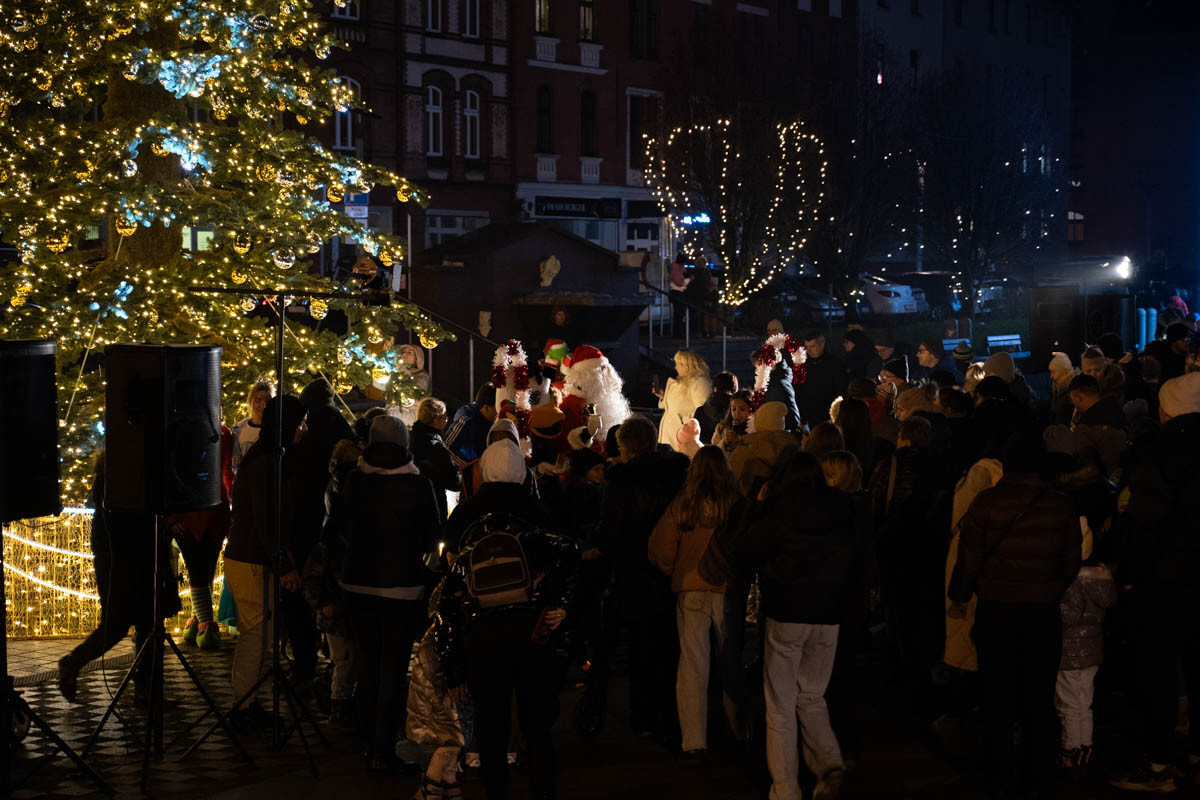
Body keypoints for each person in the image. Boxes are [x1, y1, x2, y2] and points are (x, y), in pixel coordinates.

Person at [948, 428, 1082, 796]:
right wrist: (1050, 590)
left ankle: (999, 772)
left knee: (997, 696)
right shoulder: (1061, 504)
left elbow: (970, 559)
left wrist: (960, 595)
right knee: (1039, 697)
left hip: (997, 611)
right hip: (1042, 614)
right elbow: (1071, 561)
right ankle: (1038, 773)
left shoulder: (988, 502)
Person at [734, 450, 857, 800]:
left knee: (780, 705)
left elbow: (743, 549)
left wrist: (756, 507)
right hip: (829, 613)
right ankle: (830, 761)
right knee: (812, 695)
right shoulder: (843, 506)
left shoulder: (780, 508)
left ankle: (786, 788)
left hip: (787, 611)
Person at [435, 514, 579, 800]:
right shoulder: (534, 536)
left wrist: (454, 671)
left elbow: (446, 611)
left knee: (491, 728)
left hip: (483, 641)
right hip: (529, 636)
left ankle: (496, 792)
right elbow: (571, 552)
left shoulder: (468, 548)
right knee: (537, 727)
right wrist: (562, 604)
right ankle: (543, 790)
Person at [1109, 372, 1200, 792]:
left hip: (1164, 582)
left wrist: (1127, 575)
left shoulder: (1158, 455)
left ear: (1168, 409)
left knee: (1158, 675)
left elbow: (1143, 523)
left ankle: (1161, 764)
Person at [337, 414, 442, 771]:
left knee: (366, 660)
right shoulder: (418, 485)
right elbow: (432, 537)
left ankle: (367, 737)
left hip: (357, 583)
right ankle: (384, 745)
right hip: (402, 586)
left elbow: (339, 525)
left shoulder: (354, 480)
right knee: (394, 665)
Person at [648, 447, 748, 760]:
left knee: (692, 665)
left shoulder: (684, 504)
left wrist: (676, 571)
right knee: (732, 662)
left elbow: (660, 549)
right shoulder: (738, 504)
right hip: (727, 589)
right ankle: (741, 731)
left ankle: (693, 740)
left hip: (690, 589)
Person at [57, 454, 183, 702]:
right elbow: (129, 526)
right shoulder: (117, 485)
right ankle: (73, 662)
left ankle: (148, 689)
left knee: (149, 623)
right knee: (117, 625)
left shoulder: (118, 482)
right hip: (123, 562)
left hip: (132, 559)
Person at [596, 416, 690, 743]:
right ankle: (672, 713)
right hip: (673, 570)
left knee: (641, 650)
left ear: (626, 448)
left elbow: (609, 532)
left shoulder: (621, 481)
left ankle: (645, 717)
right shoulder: (677, 474)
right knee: (671, 647)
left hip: (634, 573)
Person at [223, 395, 308, 726]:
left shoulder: (271, 458)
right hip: (251, 561)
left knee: (261, 632)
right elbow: (265, 520)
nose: (303, 429)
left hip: (255, 559)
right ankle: (244, 706)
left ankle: (248, 701)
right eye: (299, 423)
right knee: (255, 635)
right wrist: (283, 563)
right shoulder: (265, 463)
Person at [818, 451, 874, 765]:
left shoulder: (842, 512)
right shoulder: (863, 507)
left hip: (839, 600)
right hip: (853, 600)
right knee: (841, 673)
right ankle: (843, 742)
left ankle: (837, 743)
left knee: (835, 675)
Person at [1056, 528, 1117, 779]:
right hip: (1092, 653)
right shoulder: (1102, 579)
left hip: (1069, 653)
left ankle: (1070, 751)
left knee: (1068, 704)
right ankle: (1084, 746)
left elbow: (1069, 616)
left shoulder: (1070, 580)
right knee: (1084, 702)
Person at [171, 424, 234, 651]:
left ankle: (202, 619)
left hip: (213, 512)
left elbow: (226, 469)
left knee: (205, 567)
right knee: (198, 567)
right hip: (189, 513)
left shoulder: (223, 433)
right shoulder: (180, 431)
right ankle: (206, 623)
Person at [444, 439, 554, 554]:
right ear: (521, 469)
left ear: (485, 466)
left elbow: (449, 553)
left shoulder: (465, 510)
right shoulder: (535, 509)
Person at [727, 401, 798, 496]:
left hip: (751, 506)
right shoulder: (794, 450)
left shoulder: (745, 449)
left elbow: (729, 482)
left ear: (758, 421)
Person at [410, 397, 462, 521]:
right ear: (435, 419)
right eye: (444, 417)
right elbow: (451, 477)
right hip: (434, 500)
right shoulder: (435, 443)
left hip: (412, 499)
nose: (446, 420)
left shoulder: (410, 437)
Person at [655, 349, 713, 448]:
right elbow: (672, 407)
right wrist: (663, 396)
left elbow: (703, 411)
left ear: (687, 365)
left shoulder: (699, 383)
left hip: (683, 437)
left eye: (679, 364)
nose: (676, 367)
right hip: (670, 435)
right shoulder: (679, 383)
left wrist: (686, 425)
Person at [797, 330, 847, 427]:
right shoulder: (802, 365)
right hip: (808, 413)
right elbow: (798, 389)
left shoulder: (835, 364)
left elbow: (840, 389)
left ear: (822, 344)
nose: (808, 350)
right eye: (806, 347)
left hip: (828, 413)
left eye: (812, 346)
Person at [444, 384, 499, 468]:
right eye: (496, 408)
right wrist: (468, 467)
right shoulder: (466, 421)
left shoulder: (490, 419)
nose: (498, 412)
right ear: (486, 407)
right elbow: (446, 448)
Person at [231, 380, 274, 473]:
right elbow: (234, 463)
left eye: (268, 401)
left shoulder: (275, 428)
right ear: (251, 402)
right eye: (258, 400)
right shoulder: (239, 428)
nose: (263, 405)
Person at [695, 371, 738, 444]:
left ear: (715, 388)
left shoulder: (700, 411)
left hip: (704, 452)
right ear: (734, 388)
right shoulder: (737, 411)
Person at [712, 389, 752, 454]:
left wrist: (738, 443)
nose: (737, 413)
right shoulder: (721, 428)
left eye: (742, 409)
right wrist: (724, 443)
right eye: (734, 409)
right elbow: (713, 454)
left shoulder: (755, 430)